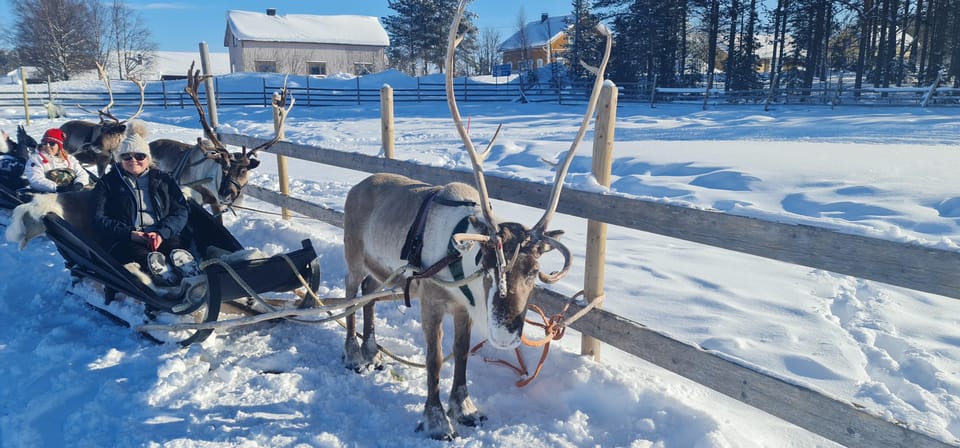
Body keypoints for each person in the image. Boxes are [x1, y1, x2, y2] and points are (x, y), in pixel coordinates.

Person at [90, 120, 201, 291]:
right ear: (120, 160)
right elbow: (98, 218)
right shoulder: (108, 183)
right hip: (127, 237)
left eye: (139, 156)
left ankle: (191, 275)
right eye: (127, 156)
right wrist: (130, 234)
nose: (133, 160)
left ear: (148, 159)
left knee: (175, 250)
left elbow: (180, 211)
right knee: (145, 257)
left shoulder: (164, 180)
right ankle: (165, 286)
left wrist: (162, 232)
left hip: (163, 233)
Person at [24, 128, 88, 193]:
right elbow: (36, 179)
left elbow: (82, 173)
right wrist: (57, 188)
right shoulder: (36, 159)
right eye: (44, 143)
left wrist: (79, 184)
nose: (47, 146)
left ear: (59, 146)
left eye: (52, 143)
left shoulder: (69, 159)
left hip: (72, 192)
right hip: (50, 194)